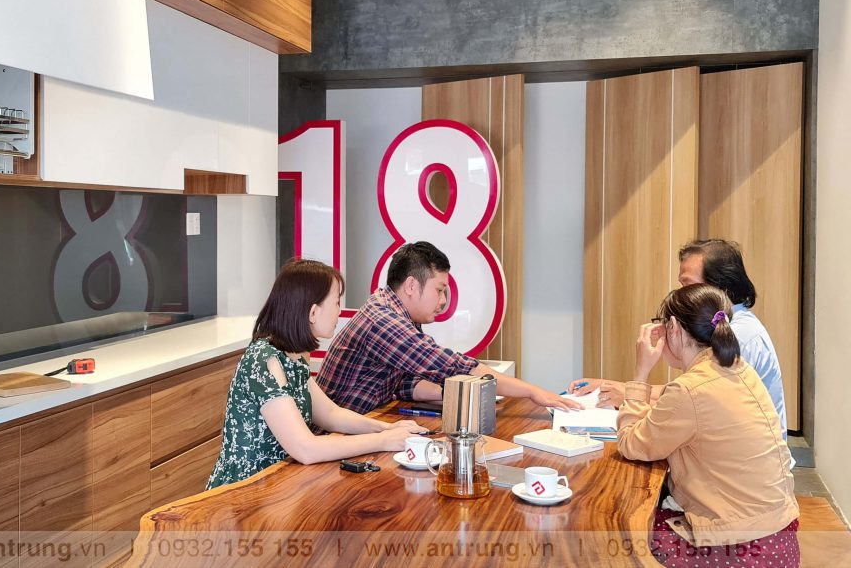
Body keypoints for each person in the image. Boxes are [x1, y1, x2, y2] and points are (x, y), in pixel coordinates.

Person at [616, 284, 798, 567]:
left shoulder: (690, 389)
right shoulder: (738, 368)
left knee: (623, 536)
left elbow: (631, 444)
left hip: (741, 550)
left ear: (673, 327)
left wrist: (641, 372)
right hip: (779, 537)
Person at [206, 259, 426, 489]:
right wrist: (383, 440)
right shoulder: (264, 360)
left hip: (281, 484)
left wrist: (387, 428)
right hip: (245, 492)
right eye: (336, 302)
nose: (339, 311)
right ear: (313, 312)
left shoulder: (294, 357)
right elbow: (306, 448)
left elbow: (330, 414)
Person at [316, 241, 581, 414]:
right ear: (411, 285)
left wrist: (456, 396)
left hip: (362, 424)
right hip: (334, 439)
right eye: (439, 290)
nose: (443, 301)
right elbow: (451, 365)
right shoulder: (383, 320)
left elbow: (402, 383)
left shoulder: (395, 311)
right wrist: (534, 392)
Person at [569, 239, 788, 438]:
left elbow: (690, 401)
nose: (681, 294)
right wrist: (616, 388)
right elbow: (685, 394)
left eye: (687, 285)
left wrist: (631, 390)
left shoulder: (736, 335)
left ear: (719, 286)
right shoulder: (730, 323)